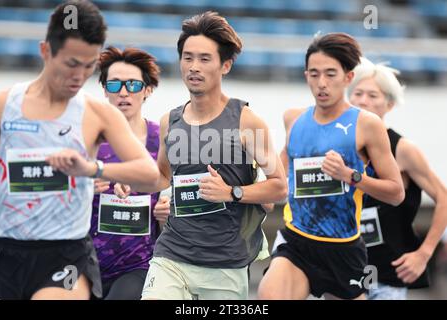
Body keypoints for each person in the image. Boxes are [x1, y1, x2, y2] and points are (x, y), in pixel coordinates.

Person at [0, 1, 159, 300]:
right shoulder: (5, 105)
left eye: (89, 65)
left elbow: (149, 174)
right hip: (6, 249)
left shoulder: (97, 113)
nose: (79, 75)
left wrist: (93, 169)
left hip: (66, 255)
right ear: (46, 51)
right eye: (72, 63)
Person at [139, 11, 287, 300]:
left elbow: (278, 187)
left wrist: (232, 191)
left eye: (205, 59)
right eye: (188, 57)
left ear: (225, 65)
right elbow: (163, 177)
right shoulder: (170, 121)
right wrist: (144, 191)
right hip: (172, 253)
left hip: (224, 262)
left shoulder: (247, 122)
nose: (194, 67)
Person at [258, 32, 405, 300]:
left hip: (344, 250)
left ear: (348, 78)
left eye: (330, 74)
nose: (321, 83)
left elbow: (396, 193)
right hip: (297, 243)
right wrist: (252, 191)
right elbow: (278, 182)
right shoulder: (293, 120)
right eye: (314, 74)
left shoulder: (367, 124)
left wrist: (350, 175)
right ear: (306, 76)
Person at [348, 58, 447, 299]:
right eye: (358, 93)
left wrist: (424, 253)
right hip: (345, 271)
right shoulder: (339, 144)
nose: (364, 101)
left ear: (389, 104)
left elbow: (443, 197)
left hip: (387, 278)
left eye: (373, 95)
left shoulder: (402, 148)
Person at [91, 46, 170, 300]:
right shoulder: (88, 137)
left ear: (148, 90)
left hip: (138, 264)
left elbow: (183, 190)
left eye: (133, 85)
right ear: (104, 90)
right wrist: (81, 187)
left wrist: (168, 208)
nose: (123, 93)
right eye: (114, 85)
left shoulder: (163, 139)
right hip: (86, 262)